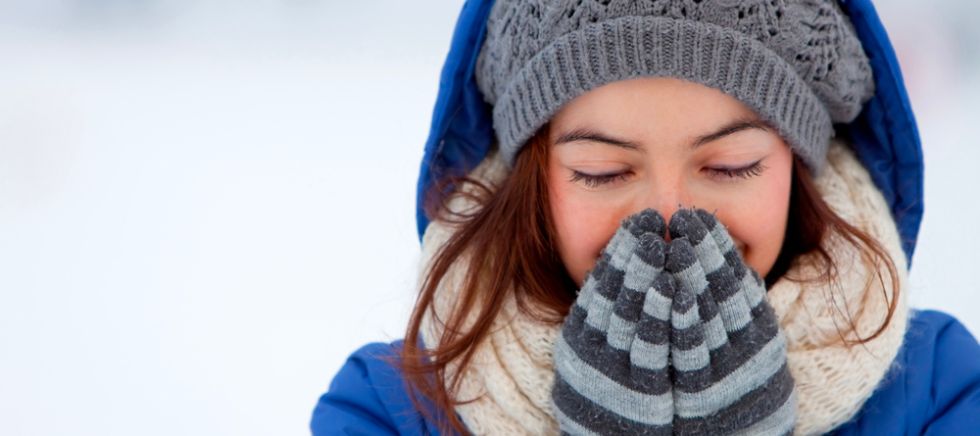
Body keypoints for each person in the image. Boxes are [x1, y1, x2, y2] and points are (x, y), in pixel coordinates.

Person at [311, 0, 980, 434]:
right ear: (532, 185)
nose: (668, 216)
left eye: (730, 165)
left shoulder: (938, 389)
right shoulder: (390, 410)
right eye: (603, 172)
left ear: (799, 170)